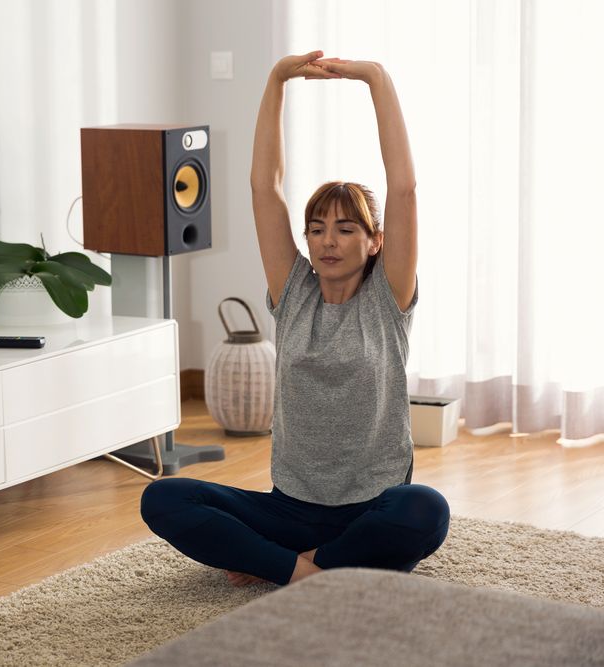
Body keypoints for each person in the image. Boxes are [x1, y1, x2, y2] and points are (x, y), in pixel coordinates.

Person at [139, 51, 450, 587]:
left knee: (425, 511)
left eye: (348, 228)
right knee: (163, 497)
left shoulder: (387, 297)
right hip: (290, 510)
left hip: (372, 506)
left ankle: (284, 566)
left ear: (376, 241)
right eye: (318, 228)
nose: (329, 240)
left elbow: (404, 189)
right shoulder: (295, 290)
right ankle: (317, 569)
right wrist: (277, 78)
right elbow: (266, 187)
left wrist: (375, 78)